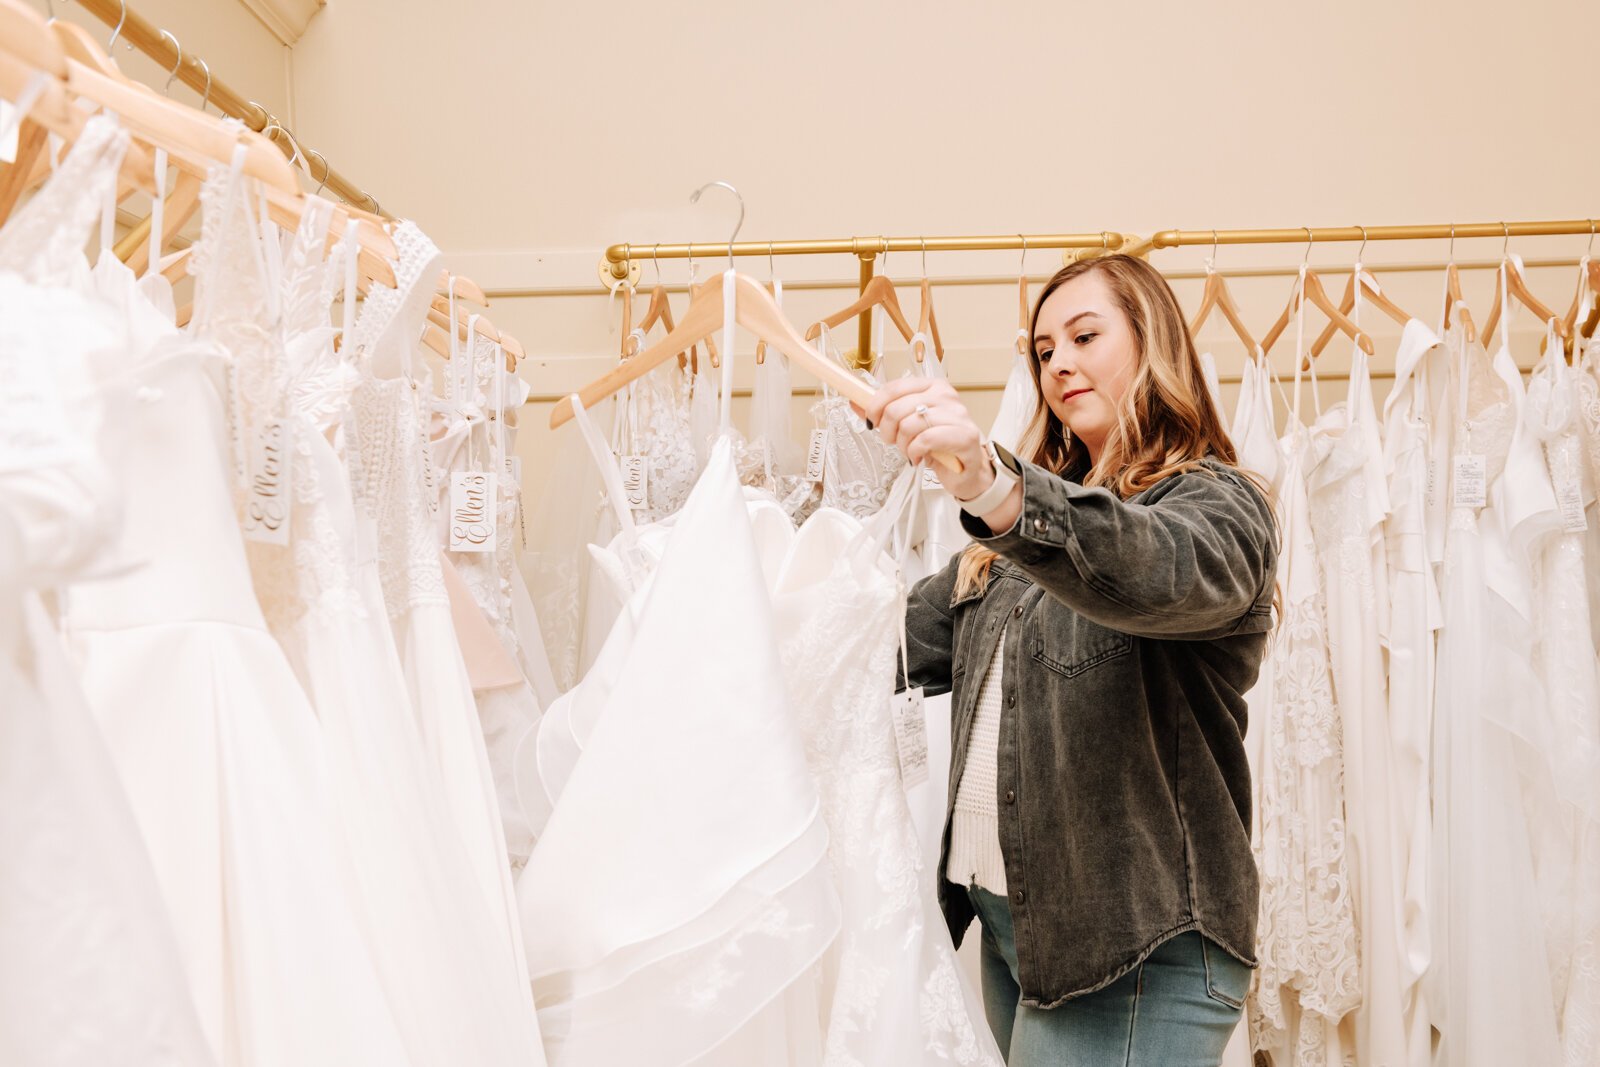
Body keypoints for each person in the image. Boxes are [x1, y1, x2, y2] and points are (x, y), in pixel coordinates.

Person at [863, 253, 1277, 1067]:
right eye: (1044, 350)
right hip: (1020, 933)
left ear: (1151, 341)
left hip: (1135, 945)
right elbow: (893, 644)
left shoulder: (1218, 504)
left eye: (1084, 336)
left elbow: (1143, 562)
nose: (1058, 363)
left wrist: (993, 486)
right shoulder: (1012, 549)